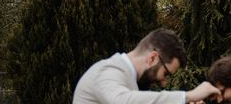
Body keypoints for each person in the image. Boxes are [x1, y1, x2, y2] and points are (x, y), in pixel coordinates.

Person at [73, 28, 221, 104]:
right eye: (166, 74)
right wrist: (189, 96)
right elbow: (123, 101)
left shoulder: (130, 82)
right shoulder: (107, 71)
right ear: (152, 58)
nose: (164, 83)